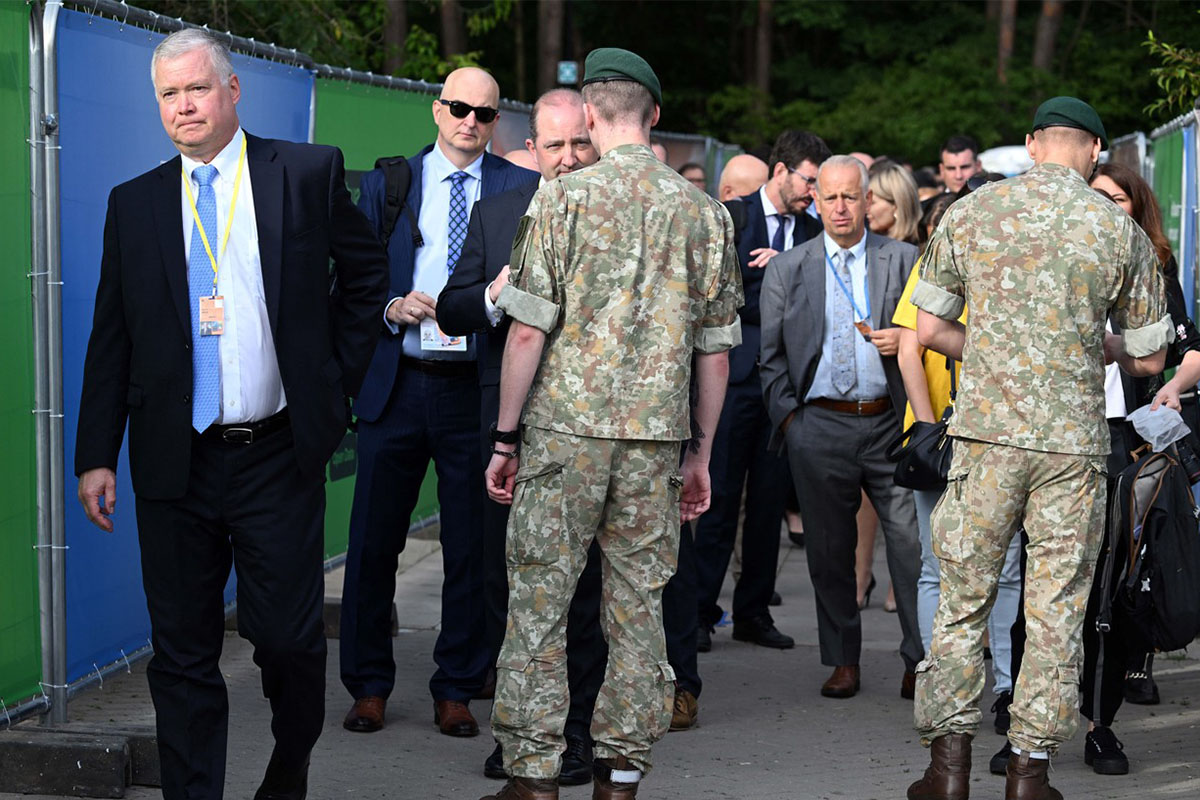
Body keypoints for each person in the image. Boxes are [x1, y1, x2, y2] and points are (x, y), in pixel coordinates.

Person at [74, 29, 388, 800]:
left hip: (276, 454)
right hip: (173, 460)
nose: (183, 106)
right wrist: (95, 453)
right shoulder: (135, 202)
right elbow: (111, 332)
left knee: (285, 642)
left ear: (232, 89)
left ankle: (288, 770)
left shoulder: (305, 173)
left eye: (196, 89)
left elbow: (366, 273)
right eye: (168, 95)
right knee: (180, 655)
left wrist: (332, 381)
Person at [480, 48, 742, 800]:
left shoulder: (562, 201)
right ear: (655, 115)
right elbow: (715, 356)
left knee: (540, 605)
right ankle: (620, 777)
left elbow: (527, 333)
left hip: (564, 439)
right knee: (638, 615)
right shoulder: (704, 213)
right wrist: (702, 453)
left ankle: (533, 777)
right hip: (656, 444)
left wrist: (505, 438)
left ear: (590, 117)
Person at [907, 97, 1170, 800]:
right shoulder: (1115, 229)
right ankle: (1030, 773)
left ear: (1031, 145)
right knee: (1056, 610)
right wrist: (1099, 348)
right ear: (1093, 151)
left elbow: (928, 328)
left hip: (986, 439)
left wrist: (993, 351)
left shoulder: (970, 212)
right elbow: (1149, 356)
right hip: (1072, 451)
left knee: (962, 600)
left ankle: (948, 769)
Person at [341, 67, 537, 738]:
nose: (470, 122)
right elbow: (353, 277)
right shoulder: (389, 184)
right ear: (436, 109)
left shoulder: (522, 187)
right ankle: (368, 684)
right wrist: (391, 306)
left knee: (472, 547)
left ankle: (456, 684)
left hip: (474, 387)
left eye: (484, 113)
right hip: (397, 382)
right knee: (372, 545)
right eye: (459, 108)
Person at [438, 87, 603, 785]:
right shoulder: (498, 211)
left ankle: (575, 736)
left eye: (578, 143)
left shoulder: (619, 219)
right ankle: (519, 734)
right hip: (507, 431)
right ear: (531, 150)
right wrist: (491, 294)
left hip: (594, 435)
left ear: (596, 142)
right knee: (504, 586)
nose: (566, 159)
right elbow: (451, 307)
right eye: (553, 145)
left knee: (584, 593)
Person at [760, 154, 924, 701]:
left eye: (851, 196)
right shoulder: (789, 267)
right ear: (817, 199)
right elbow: (771, 356)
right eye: (829, 196)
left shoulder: (902, 259)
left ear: (867, 198)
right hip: (820, 424)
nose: (840, 207)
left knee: (911, 545)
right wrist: (792, 419)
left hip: (888, 426)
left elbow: (930, 336)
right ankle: (842, 660)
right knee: (829, 551)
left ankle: (919, 659)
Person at [892, 174, 1024, 752]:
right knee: (935, 565)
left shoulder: (1017, 265)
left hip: (1000, 436)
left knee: (1008, 565)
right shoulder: (935, 258)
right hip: (940, 435)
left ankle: (1003, 685)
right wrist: (927, 427)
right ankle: (940, 678)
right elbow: (910, 347)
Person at [694, 129, 829, 654]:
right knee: (719, 496)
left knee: (771, 501)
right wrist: (777, 279)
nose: (813, 193)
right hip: (732, 379)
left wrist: (790, 273)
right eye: (809, 180)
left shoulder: (814, 230)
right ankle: (702, 612)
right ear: (780, 171)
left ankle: (753, 610)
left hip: (786, 387)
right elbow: (715, 297)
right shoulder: (735, 217)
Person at [868, 162, 922, 245]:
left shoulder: (917, 251)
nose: (866, 209)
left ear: (896, 205)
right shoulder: (869, 244)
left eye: (872, 203)